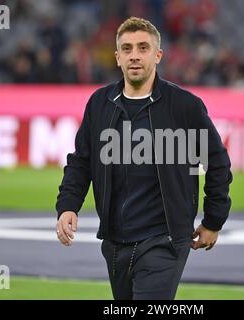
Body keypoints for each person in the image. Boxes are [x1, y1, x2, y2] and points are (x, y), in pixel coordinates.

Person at [55, 17, 232, 300]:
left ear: (158, 55)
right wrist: (68, 206)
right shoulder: (100, 103)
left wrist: (213, 220)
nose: (134, 55)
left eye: (143, 48)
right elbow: (81, 161)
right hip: (114, 242)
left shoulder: (185, 106)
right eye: (126, 48)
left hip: (165, 240)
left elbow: (217, 163)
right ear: (117, 57)